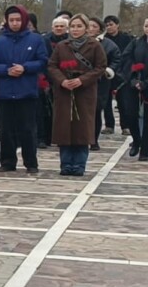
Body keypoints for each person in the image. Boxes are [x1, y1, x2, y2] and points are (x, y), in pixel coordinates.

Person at [46, 14, 106, 176]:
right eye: (73, 26)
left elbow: (100, 67)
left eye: (79, 26)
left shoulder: (94, 46)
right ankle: (66, 164)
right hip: (64, 92)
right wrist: (62, 80)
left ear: (86, 28)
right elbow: (52, 66)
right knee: (64, 128)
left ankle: (79, 165)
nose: (75, 29)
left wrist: (82, 80)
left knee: (82, 129)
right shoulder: (61, 46)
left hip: (84, 92)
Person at [0, 5, 48, 173]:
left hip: (27, 90)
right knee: (6, 129)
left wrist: (25, 68)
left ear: (24, 20)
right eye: (11, 20)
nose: (15, 23)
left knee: (28, 128)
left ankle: (31, 163)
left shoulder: (36, 40)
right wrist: (6, 70)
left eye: (18, 20)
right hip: (6, 91)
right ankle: (7, 162)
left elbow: (43, 61)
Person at [87, 16, 122, 151]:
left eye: (94, 26)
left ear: (100, 29)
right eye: (88, 25)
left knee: (96, 111)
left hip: (100, 83)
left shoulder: (108, 44)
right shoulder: (77, 42)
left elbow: (117, 59)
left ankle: (94, 140)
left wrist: (108, 70)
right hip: (81, 81)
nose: (90, 29)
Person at [118, 17, 148, 160]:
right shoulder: (136, 42)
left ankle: (145, 151)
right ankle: (136, 140)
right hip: (134, 81)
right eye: (147, 26)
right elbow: (126, 59)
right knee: (130, 113)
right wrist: (134, 78)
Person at [40, 16, 70, 148]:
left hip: (66, 80)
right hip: (48, 80)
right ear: (52, 28)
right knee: (46, 111)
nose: (59, 28)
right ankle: (45, 137)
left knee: (63, 112)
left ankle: (62, 137)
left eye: (61, 26)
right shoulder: (45, 40)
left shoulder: (70, 41)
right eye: (56, 26)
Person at [105, 15, 131, 135]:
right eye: (107, 25)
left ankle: (125, 126)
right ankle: (109, 125)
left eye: (111, 24)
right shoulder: (103, 40)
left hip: (122, 74)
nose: (109, 27)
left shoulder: (127, 39)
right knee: (106, 101)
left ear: (117, 25)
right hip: (107, 72)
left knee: (123, 101)